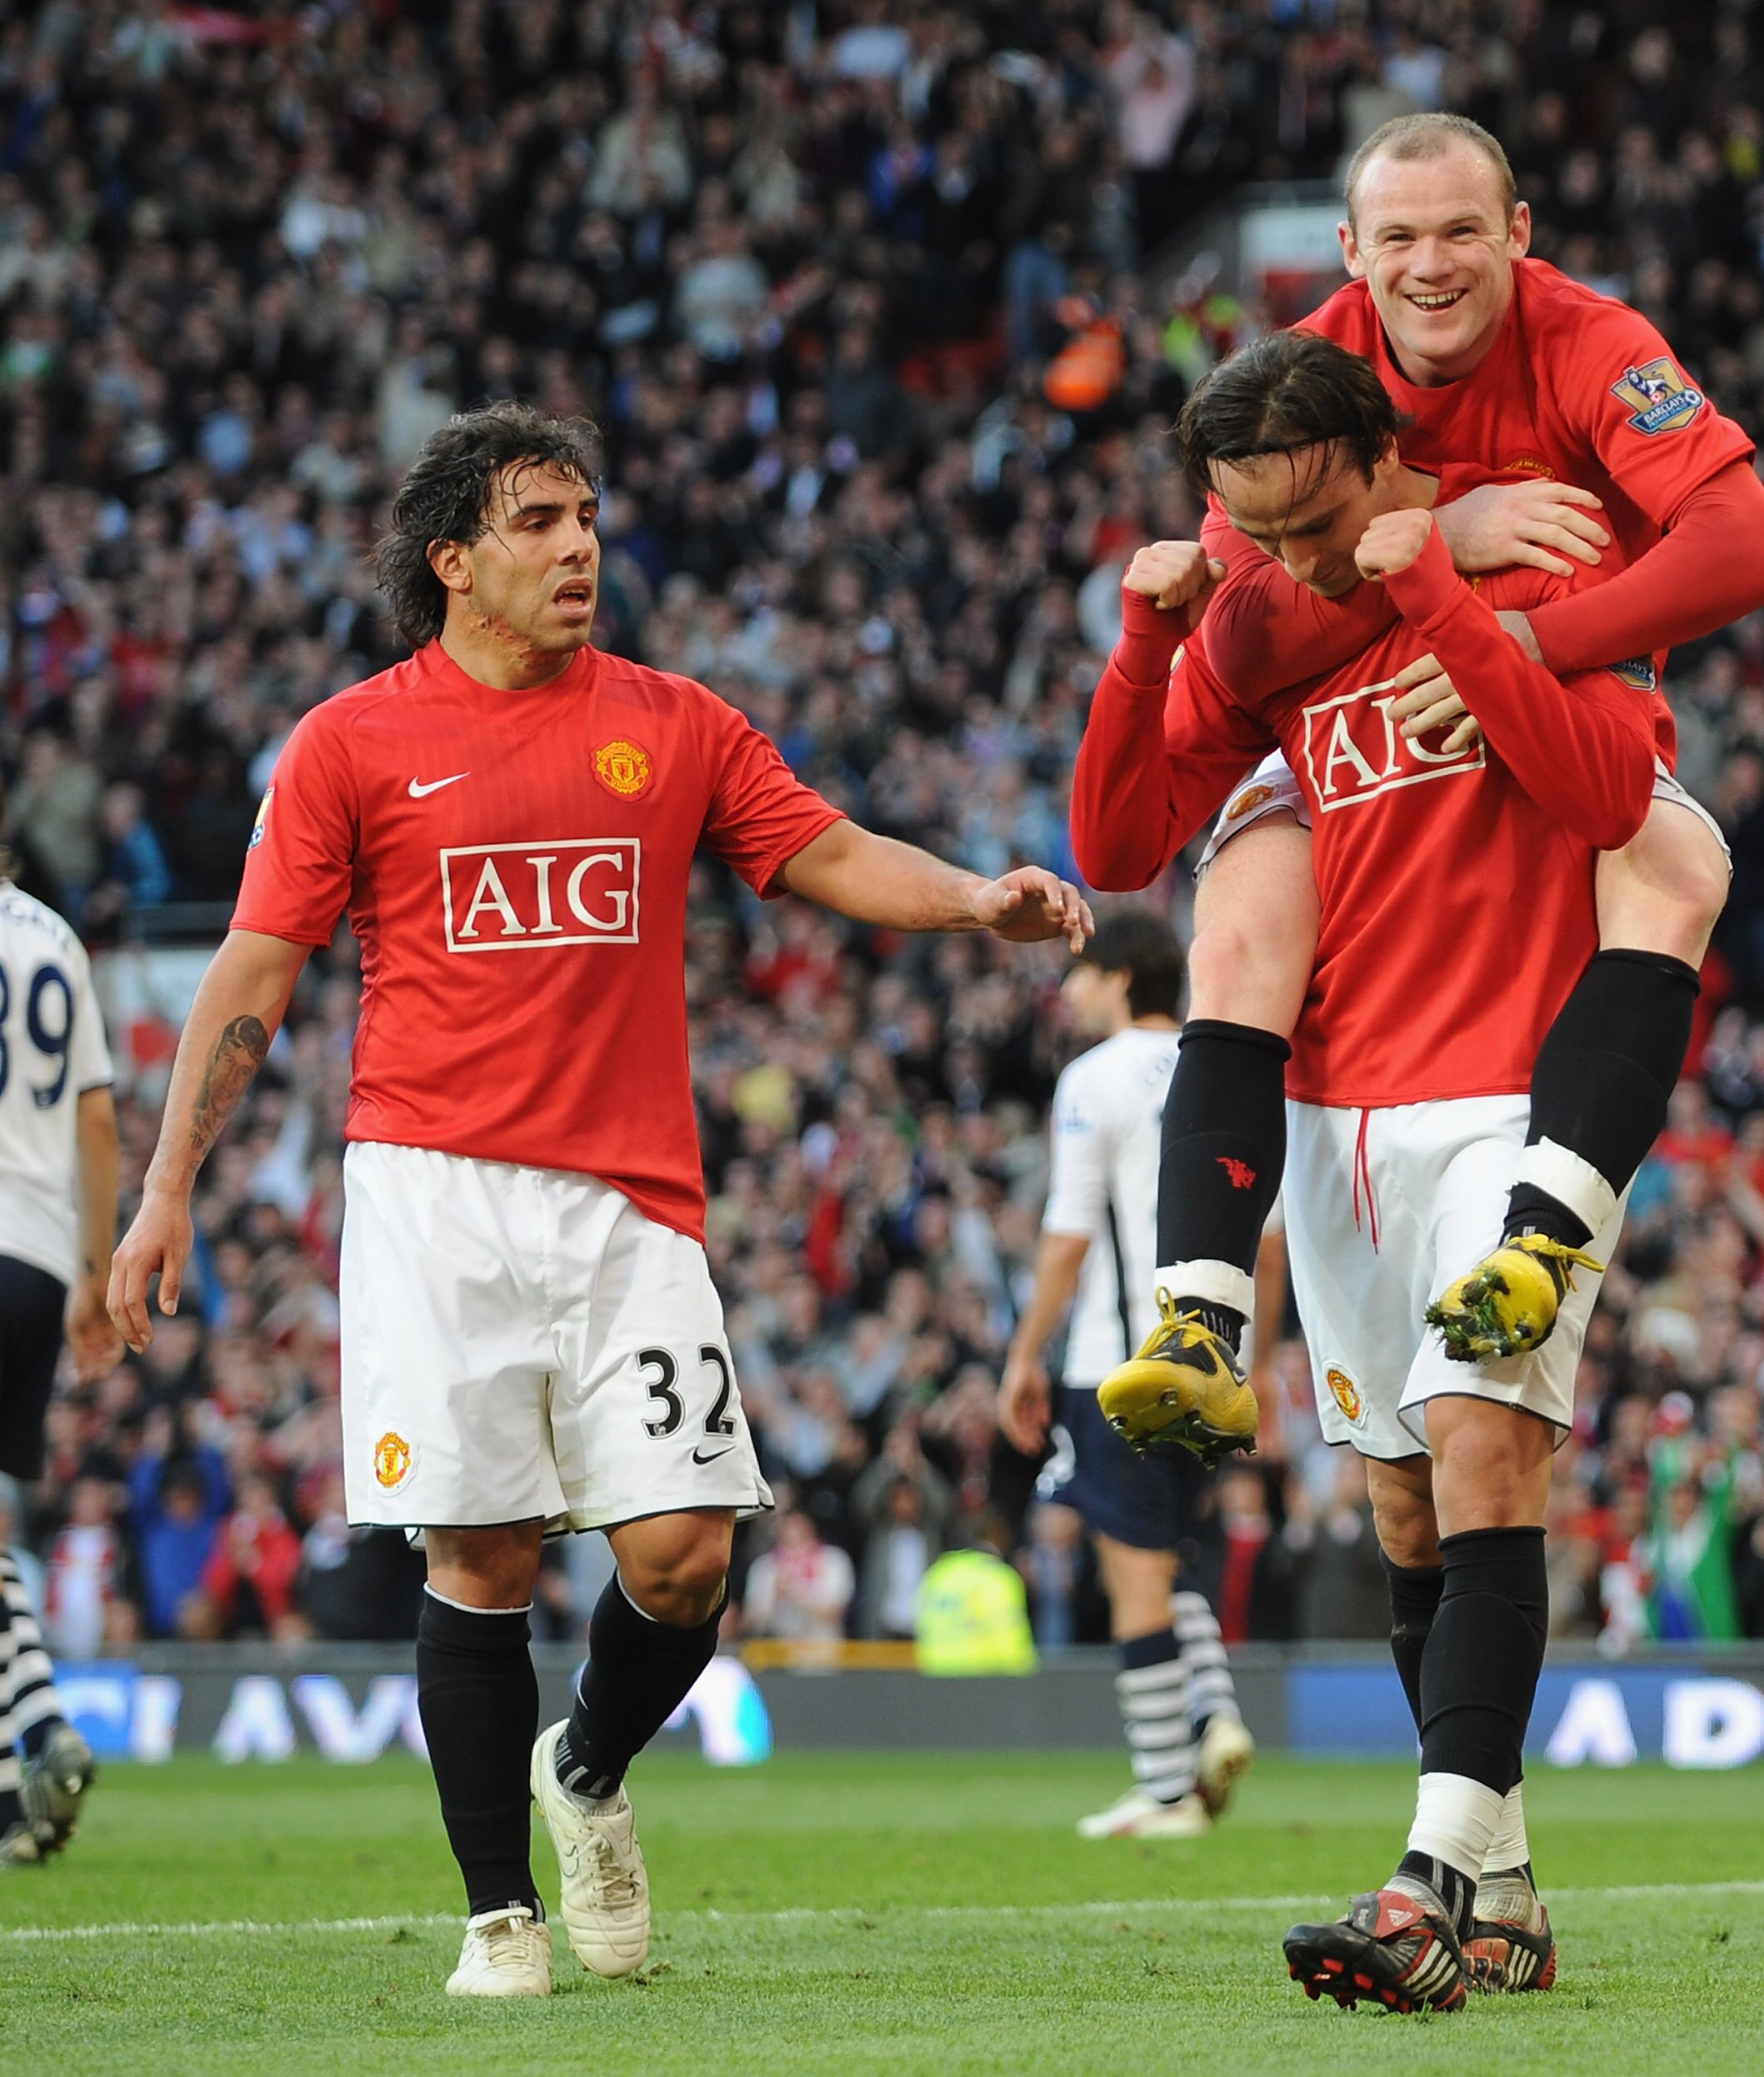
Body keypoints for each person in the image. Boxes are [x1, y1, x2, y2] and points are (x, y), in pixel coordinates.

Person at [105, 402, 1088, 1995]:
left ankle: (588, 1765)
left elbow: (824, 848)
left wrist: (976, 898)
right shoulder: (350, 742)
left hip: (632, 1199)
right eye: (541, 521)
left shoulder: (671, 721)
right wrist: (166, 1187)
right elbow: (256, 971)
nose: (581, 547)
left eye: (587, 517)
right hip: (432, 1189)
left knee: (687, 1552)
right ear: (454, 560)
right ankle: (501, 1917)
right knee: (481, 1552)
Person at [1072, 332, 1656, 2012]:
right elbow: (1115, 841)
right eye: (1261, 532)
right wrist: (1150, 637)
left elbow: (1613, 789)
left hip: (1509, 1094)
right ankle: (1508, 1886)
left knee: (1483, 1449)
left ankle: (1428, 1881)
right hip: (1337, 1119)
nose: (1298, 562)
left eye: (1318, 523)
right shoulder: (1274, 623)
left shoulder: (1533, 547)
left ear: (1389, 455)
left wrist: (1449, 598)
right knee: (1404, 1501)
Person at [1102, 111, 1764, 1452]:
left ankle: (1542, 1230)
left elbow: (1752, 548)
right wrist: (1444, 538)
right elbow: (1255, 610)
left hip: (1550, 689)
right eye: (1402, 238)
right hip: (1352, 717)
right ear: (1351, 251)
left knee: (1672, 858)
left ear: (1518, 234)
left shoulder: (1590, 341)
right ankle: (1197, 1312)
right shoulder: (1304, 375)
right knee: (1237, 913)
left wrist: (1527, 642)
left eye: (1463, 231)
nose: (1432, 266)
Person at [1001, 911, 1257, 1840]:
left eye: (1080, 973)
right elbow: (1267, 1233)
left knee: (1130, 1569)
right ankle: (1211, 1716)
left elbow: (1070, 1232)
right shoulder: (1222, 1067)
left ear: (1119, 979)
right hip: (1216, 1358)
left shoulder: (1094, 1078)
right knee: (1165, 1550)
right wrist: (1259, 1359)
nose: (1069, 991)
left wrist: (1023, 1354)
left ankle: (1167, 1787)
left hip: (1121, 1359)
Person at [0, 861, 119, 1861]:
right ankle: (22, 1776)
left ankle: (35, 1732)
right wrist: (91, 1269)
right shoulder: (53, 937)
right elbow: (97, 1118)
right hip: (38, 1258)